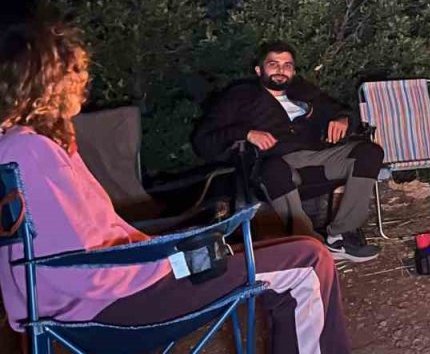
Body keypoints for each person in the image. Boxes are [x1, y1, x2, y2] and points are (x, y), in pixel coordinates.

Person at [0, 17, 351, 353]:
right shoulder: (32, 151)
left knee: (273, 249)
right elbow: (80, 264)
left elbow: (77, 248)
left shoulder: (21, 144)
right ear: (50, 81)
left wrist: (173, 251)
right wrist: (173, 258)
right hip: (115, 306)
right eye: (75, 71)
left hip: (96, 298)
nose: (84, 79)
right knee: (308, 260)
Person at [193, 41, 382, 263]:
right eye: (274, 64)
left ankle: (339, 237)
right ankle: (310, 243)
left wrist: (343, 119)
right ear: (259, 70)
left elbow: (340, 109)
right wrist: (246, 133)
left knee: (370, 152)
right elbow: (203, 141)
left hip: (317, 159)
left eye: (287, 65)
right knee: (275, 169)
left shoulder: (303, 90)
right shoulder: (240, 96)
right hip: (273, 165)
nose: (281, 70)